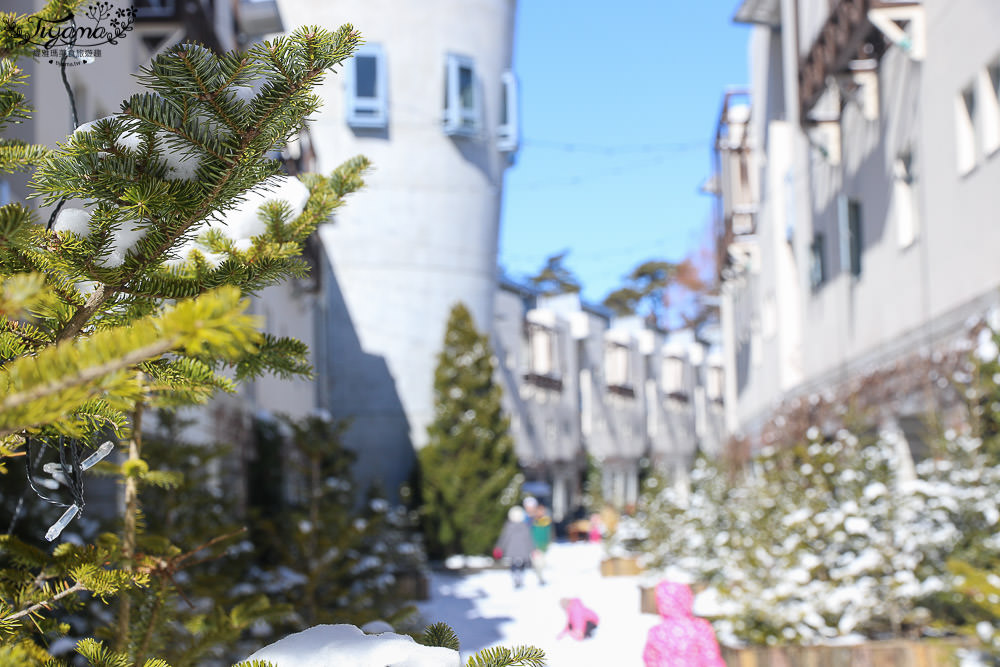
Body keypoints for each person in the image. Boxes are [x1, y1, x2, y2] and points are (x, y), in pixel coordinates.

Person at [642, 581, 726, 667]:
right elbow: (710, 658)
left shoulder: (656, 631)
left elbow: (649, 659)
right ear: (687, 598)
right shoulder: (698, 627)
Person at [493, 506, 535, 588]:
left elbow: (504, 538)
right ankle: (520, 578)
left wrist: (499, 547)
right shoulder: (525, 526)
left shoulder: (509, 526)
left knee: (513, 564)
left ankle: (516, 578)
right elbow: (529, 540)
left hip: (511, 550)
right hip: (523, 551)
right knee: (521, 564)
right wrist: (532, 549)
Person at [529, 503, 554, 585]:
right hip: (535, 546)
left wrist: (549, 542)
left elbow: (549, 534)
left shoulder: (546, 521)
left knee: (543, 564)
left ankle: (541, 577)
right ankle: (540, 578)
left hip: (544, 546)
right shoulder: (532, 522)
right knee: (538, 563)